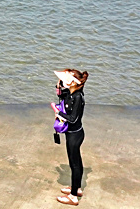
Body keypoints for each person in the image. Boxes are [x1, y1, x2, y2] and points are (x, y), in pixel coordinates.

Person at [52, 68, 89, 204]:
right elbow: (60, 93)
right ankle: (76, 188)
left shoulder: (78, 96)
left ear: (74, 83)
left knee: (75, 165)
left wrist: (59, 113)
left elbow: (72, 119)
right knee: (75, 163)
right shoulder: (71, 93)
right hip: (71, 134)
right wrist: (60, 82)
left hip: (75, 135)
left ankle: (73, 197)